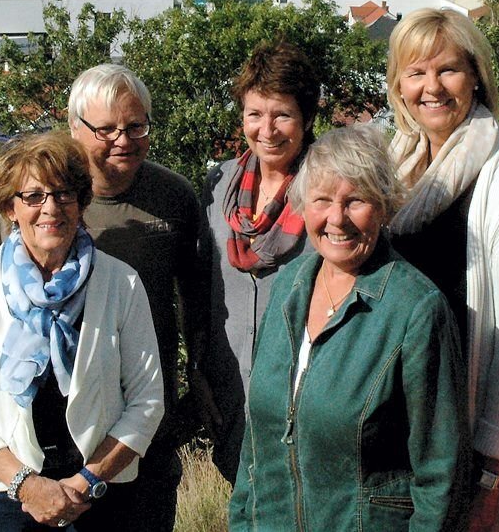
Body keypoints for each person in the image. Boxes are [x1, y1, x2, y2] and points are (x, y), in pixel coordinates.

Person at [229, 125, 468, 532]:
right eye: (322, 199)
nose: (336, 218)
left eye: (356, 200)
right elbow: (257, 441)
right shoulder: (288, 288)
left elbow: (441, 471)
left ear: (385, 206)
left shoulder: (416, 310)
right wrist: (240, 520)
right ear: (303, 206)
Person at [385, 8, 499, 529]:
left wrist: (493, 476)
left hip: (462, 448)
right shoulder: (399, 165)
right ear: (398, 84)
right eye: (416, 72)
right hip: (399, 433)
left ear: (476, 75)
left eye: (448, 70)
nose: (431, 88)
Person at [0, 131, 164, 531]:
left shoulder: (121, 283)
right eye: (33, 196)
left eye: (64, 194)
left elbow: (147, 401)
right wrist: (26, 486)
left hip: (103, 497)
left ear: (81, 203)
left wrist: (88, 480)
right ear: (10, 207)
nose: (51, 208)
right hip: (7, 499)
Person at [66, 63, 211, 531]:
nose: (123, 140)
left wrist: (197, 386)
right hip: (61, 421)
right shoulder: (47, 198)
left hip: (148, 419)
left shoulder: (174, 198)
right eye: (105, 129)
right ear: (74, 129)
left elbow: (198, 302)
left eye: (135, 126)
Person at [203, 40, 321, 480]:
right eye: (255, 114)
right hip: (233, 401)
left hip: (305, 408)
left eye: (282, 115)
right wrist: (200, 372)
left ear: (307, 119)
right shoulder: (219, 187)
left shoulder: (330, 192)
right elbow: (203, 289)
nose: (267, 130)